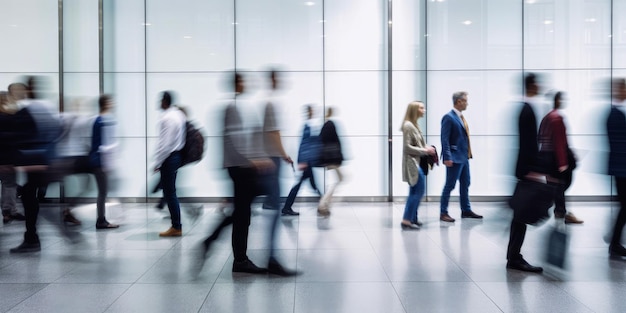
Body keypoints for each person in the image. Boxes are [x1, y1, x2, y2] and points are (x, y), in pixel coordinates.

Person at [506, 73, 544, 272]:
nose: (540, 86)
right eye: (538, 83)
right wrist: (533, 169)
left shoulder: (526, 108)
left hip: (525, 168)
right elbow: (528, 143)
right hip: (526, 170)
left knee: (520, 214)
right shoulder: (527, 110)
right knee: (521, 214)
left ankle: (514, 255)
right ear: (532, 85)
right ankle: (514, 257)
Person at [537, 91, 583, 224]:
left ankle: (560, 211)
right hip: (555, 158)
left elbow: (540, 137)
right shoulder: (557, 118)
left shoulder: (546, 118)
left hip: (546, 157)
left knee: (556, 185)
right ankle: (560, 211)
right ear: (556, 101)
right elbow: (560, 142)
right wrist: (563, 163)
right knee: (561, 185)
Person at [439, 91, 482, 222]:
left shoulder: (460, 117)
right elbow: (444, 139)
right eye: (465, 101)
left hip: (464, 157)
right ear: (459, 101)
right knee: (450, 185)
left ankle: (466, 210)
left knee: (465, 183)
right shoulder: (449, 117)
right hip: (454, 158)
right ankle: (443, 212)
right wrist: (447, 157)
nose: (467, 103)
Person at [153, 91, 186, 237]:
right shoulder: (179, 115)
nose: (159, 103)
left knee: (170, 193)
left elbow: (165, 144)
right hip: (176, 155)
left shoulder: (168, 118)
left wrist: (158, 162)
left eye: (161, 100)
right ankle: (176, 225)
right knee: (170, 192)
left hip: (169, 158)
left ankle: (176, 226)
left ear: (165, 101)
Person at [261, 70, 293, 212]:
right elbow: (274, 132)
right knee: (274, 186)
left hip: (269, 152)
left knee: (271, 184)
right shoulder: (271, 103)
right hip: (272, 153)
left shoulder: (271, 101)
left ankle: (270, 204)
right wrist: (284, 154)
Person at [281, 104, 322, 216]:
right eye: (311, 111)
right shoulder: (307, 127)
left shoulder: (309, 126)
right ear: (308, 112)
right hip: (306, 162)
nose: (313, 113)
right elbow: (304, 145)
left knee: (311, 185)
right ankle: (323, 203)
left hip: (307, 161)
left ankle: (323, 203)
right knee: (304, 185)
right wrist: (303, 161)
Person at [400, 101, 436, 230]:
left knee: (414, 191)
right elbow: (407, 147)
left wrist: (425, 147)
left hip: (417, 162)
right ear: (415, 110)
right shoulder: (408, 125)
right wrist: (425, 151)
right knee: (419, 191)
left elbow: (415, 144)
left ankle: (412, 218)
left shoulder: (413, 125)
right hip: (413, 164)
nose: (424, 110)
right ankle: (406, 220)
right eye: (421, 108)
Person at [606, 78, 626, 257]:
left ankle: (614, 239)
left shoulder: (616, 113)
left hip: (620, 168)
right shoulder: (615, 114)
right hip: (622, 169)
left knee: (624, 206)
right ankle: (614, 241)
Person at [0, 90, 25, 224]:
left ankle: (7, 211)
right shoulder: (7, 117)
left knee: (7, 184)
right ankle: (9, 211)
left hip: (4, 156)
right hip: (6, 157)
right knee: (9, 185)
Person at [317, 107, 344, 217]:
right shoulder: (330, 124)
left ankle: (325, 205)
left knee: (339, 180)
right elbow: (335, 143)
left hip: (328, 158)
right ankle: (323, 205)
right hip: (333, 158)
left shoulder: (325, 125)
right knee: (340, 179)